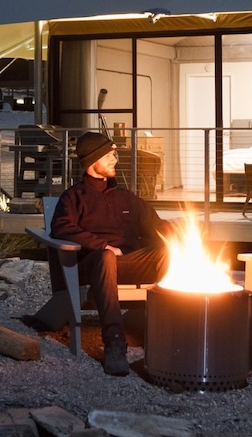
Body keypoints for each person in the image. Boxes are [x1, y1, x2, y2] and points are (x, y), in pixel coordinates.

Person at [27, 130, 168, 375]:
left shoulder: (127, 199)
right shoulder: (74, 198)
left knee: (168, 253)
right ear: (93, 161)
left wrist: (185, 234)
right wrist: (102, 246)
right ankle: (114, 342)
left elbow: (156, 225)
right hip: (89, 269)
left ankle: (168, 331)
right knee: (107, 257)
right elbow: (61, 227)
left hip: (127, 265)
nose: (116, 159)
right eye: (110, 155)